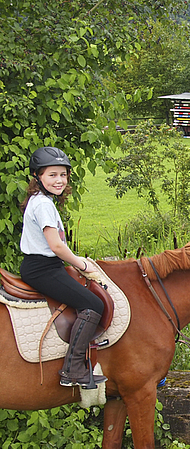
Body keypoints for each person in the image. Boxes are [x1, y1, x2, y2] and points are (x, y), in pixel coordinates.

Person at [20, 146, 107, 388]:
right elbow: (56, 247)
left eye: (63, 175)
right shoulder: (44, 205)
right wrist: (82, 264)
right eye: (52, 175)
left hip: (44, 265)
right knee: (93, 304)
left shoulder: (42, 200)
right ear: (38, 177)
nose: (59, 180)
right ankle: (73, 370)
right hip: (43, 268)